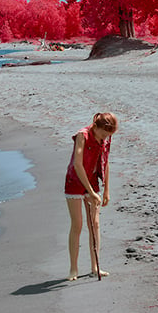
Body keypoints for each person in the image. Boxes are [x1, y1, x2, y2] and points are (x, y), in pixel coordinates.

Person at [64, 111, 118, 281]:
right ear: (96, 127)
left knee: (94, 224)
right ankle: (73, 269)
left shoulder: (106, 138)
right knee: (77, 225)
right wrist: (91, 192)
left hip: (93, 181)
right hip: (75, 180)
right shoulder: (83, 135)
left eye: (108, 136)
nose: (105, 138)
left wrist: (106, 189)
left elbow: (105, 162)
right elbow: (77, 165)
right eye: (103, 134)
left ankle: (95, 266)